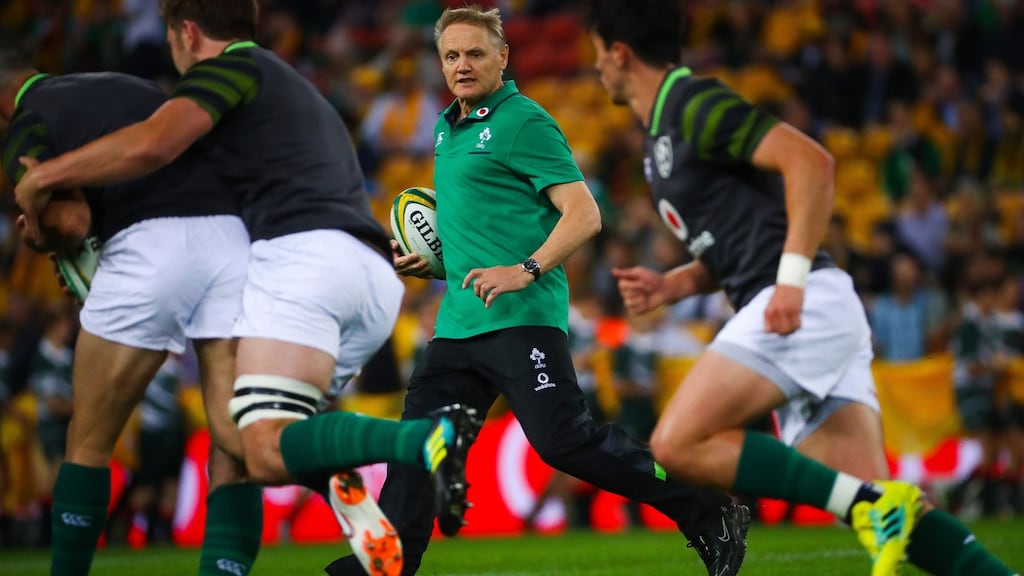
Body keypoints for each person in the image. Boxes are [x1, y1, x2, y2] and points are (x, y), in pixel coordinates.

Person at [11, 3, 474, 575]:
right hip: (370, 274)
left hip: (306, 265)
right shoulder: (294, 91)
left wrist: (44, 178)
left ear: (186, 32)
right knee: (253, 437)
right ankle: (357, 499)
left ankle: (424, 438)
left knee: (253, 444)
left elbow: (153, 145)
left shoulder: (230, 70)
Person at [584, 2, 1020, 575]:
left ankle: (868, 503)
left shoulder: (691, 103)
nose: (594, 70)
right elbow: (735, 243)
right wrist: (675, 283)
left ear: (620, 52)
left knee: (677, 443)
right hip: (808, 304)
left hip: (796, 302)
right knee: (883, 508)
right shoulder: (663, 134)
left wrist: (790, 283)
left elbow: (810, 163)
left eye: (596, 55)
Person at [326, 6, 750, 576]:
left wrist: (524, 269)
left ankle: (706, 507)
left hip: (521, 316)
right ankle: (387, 565)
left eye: (475, 53)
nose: (462, 64)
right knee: (419, 445)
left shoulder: (524, 120)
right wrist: (436, 265)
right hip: (458, 325)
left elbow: (584, 214)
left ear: (503, 57)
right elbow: (483, 230)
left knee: (564, 442)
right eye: (451, 55)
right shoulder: (444, 127)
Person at [0, 42, 258, 576]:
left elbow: (70, 224)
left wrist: (37, 238)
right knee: (232, 436)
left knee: (88, 440)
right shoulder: (121, 86)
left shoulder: (27, 125)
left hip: (150, 244)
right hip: (233, 239)